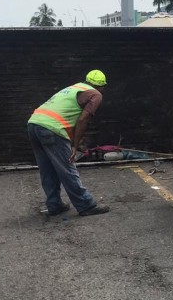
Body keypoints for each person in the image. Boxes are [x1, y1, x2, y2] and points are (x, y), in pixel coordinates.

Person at [26, 70, 110, 217]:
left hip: (34, 124)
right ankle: (85, 205)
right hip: (51, 129)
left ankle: (54, 204)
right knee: (68, 168)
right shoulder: (95, 94)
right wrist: (75, 145)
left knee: (48, 169)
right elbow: (83, 119)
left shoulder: (74, 87)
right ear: (102, 86)